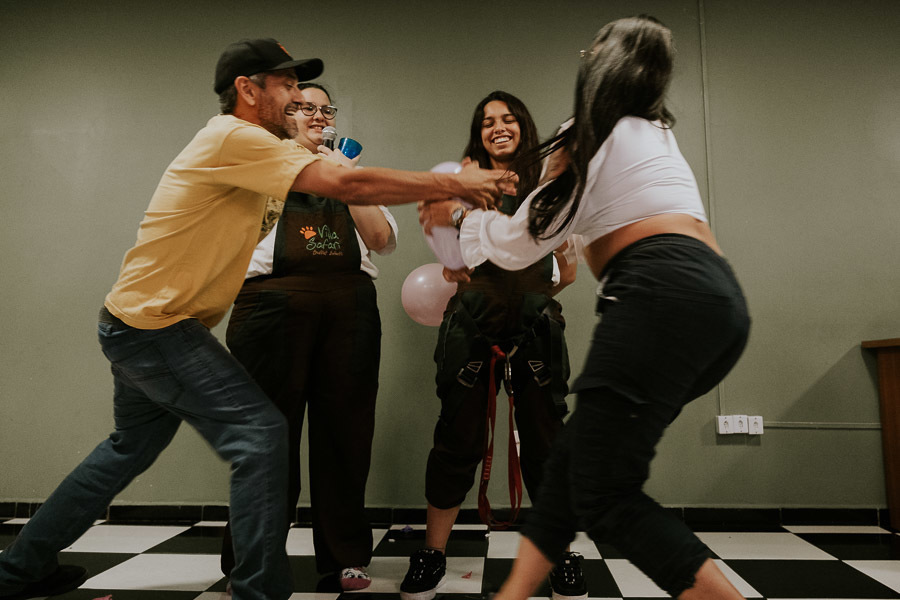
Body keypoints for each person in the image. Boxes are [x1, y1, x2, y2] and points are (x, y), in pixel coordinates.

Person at [0, 38, 508, 600]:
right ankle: (258, 591)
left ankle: (22, 566)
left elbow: (361, 213)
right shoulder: (234, 137)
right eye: (287, 86)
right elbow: (343, 184)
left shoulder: (265, 149)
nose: (299, 98)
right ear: (248, 90)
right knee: (262, 433)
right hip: (158, 325)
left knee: (127, 449)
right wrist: (453, 182)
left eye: (304, 90)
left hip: (139, 320)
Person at [419, 16, 751, 600]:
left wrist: (463, 216)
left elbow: (527, 238)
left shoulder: (586, 133)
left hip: (655, 291)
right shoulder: (650, 130)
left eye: (590, 50)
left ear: (604, 69)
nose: (581, 55)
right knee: (581, 465)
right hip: (716, 301)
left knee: (599, 485)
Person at [400, 91, 582, 600]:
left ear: (524, 125)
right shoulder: (460, 184)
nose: (497, 127)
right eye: (487, 122)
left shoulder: (549, 187)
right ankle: (433, 554)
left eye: (506, 119)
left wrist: (542, 289)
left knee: (547, 443)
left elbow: (567, 272)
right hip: (471, 322)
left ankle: (562, 556)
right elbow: (439, 240)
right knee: (456, 439)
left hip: (536, 325)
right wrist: (448, 247)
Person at [218, 82, 396, 592]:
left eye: (325, 109)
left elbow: (381, 240)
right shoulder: (255, 163)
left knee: (346, 435)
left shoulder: (352, 167)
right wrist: (292, 157)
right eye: (303, 107)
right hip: (270, 307)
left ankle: (345, 557)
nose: (317, 115)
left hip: (350, 309)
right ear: (280, 114)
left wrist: (343, 177)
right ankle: (253, 559)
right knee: (263, 440)